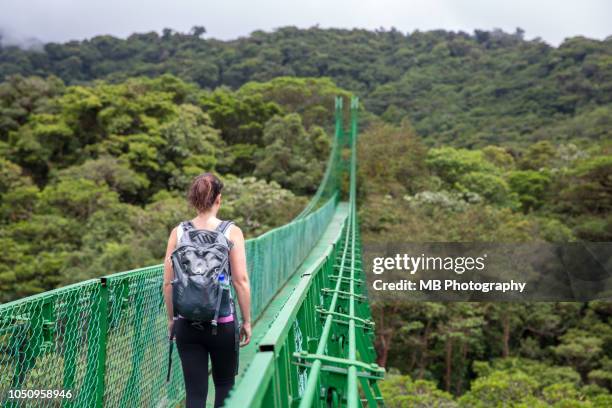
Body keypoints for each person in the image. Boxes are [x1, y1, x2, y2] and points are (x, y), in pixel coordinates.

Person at [163, 173, 252, 408]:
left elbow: (168, 283)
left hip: (186, 323)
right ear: (219, 199)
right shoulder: (232, 232)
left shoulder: (178, 233)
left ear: (193, 200)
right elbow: (240, 280)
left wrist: (172, 320)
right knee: (224, 386)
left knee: (195, 394)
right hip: (222, 323)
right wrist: (247, 321)